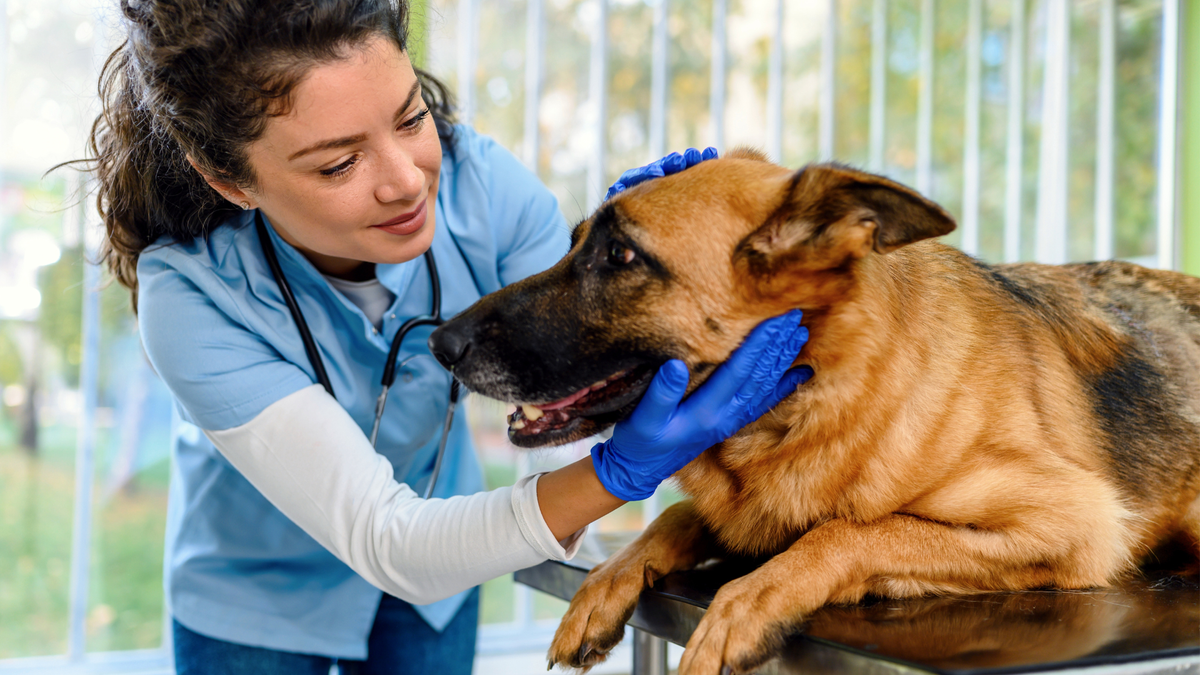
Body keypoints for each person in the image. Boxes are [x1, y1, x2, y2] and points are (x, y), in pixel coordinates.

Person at [86, 1, 812, 673]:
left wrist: (630, 250)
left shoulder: (485, 188)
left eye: (410, 119)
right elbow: (387, 540)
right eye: (339, 163)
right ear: (229, 178)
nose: (406, 181)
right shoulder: (191, 294)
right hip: (256, 592)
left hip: (442, 565)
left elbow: (581, 362)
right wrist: (616, 475)